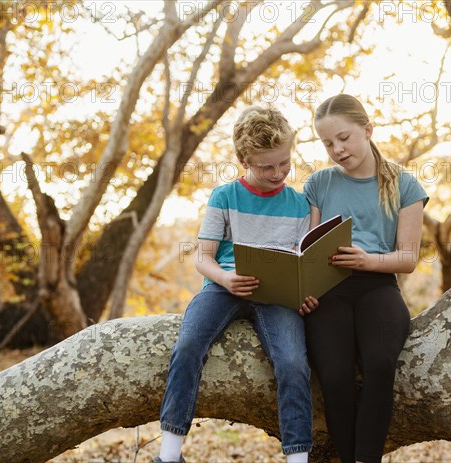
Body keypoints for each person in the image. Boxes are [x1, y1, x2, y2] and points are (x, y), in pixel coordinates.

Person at [154, 107, 313, 463]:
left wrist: (304, 292)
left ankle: (298, 457)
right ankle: (169, 453)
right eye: (266, 167)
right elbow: (202, 257)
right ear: (243, 160)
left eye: (284, 164)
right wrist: (226, 277)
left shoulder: (300, 204)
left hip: (277, 297)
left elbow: (303, 263)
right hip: (223, 287)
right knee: (189, 345)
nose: (277, 174)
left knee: (293, 363)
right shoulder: (224, 197)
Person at [300, 94, 428, 463]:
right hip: (329, 290)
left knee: (380, 364)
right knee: (335, 376)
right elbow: (308, 250)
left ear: (367, 130)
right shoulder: (319, 183)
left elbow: (407, 259)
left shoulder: (404, 184)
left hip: (378, 286)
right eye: (327, 143)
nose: (337, 149)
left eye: (344, 138)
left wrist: (368, 260)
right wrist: (303, 290)